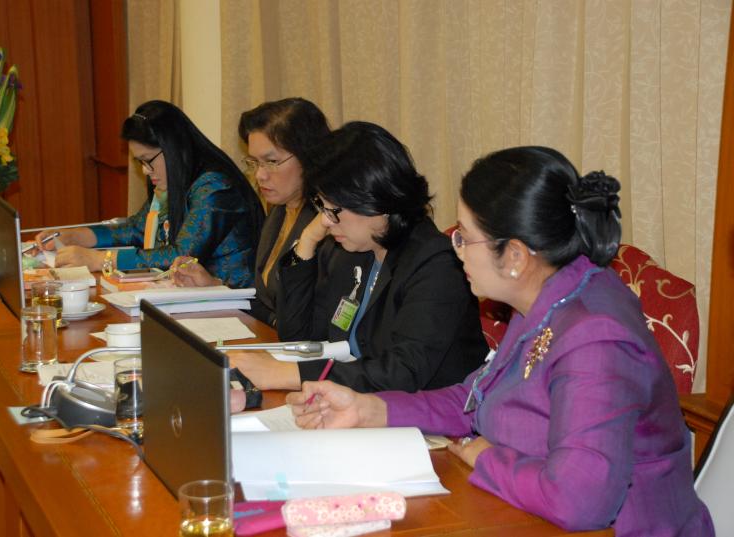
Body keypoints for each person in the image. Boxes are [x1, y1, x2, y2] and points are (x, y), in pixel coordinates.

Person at [286, 146, 713, 536]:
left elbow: (579, 502)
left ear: (514, 256)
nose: (455, 249)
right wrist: (368, 409)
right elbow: (474, 397)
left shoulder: (595, 336)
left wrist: (485, 457)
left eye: (464, 237)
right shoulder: (544, 295)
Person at [228, 121, 488, 392]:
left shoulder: (436, 264)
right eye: (321, 206)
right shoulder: (350, 250)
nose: (326, 221)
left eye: (333, 209)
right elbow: (297, 335)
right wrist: (306, 242)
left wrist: (289, 374)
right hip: (354, 403)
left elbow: (403, 371)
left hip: (425, 413)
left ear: (376, 200)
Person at [35, 100, 264, 288]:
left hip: (238, 304)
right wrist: (76, 236)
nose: (145, 171)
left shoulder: (215, 187)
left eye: (148, 160)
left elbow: (179, 256)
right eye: (140, 162)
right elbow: (137, 228)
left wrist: (100, 260)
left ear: (173, 150)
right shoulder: (177, 180)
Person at [172, 98, 331, 325]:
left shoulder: (328, 224)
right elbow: (264, 300)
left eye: (271, 161)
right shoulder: (279, 212)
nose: (259, 175)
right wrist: (215, 286)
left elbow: (307, 321)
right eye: (254, 162)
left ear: (308, 157)